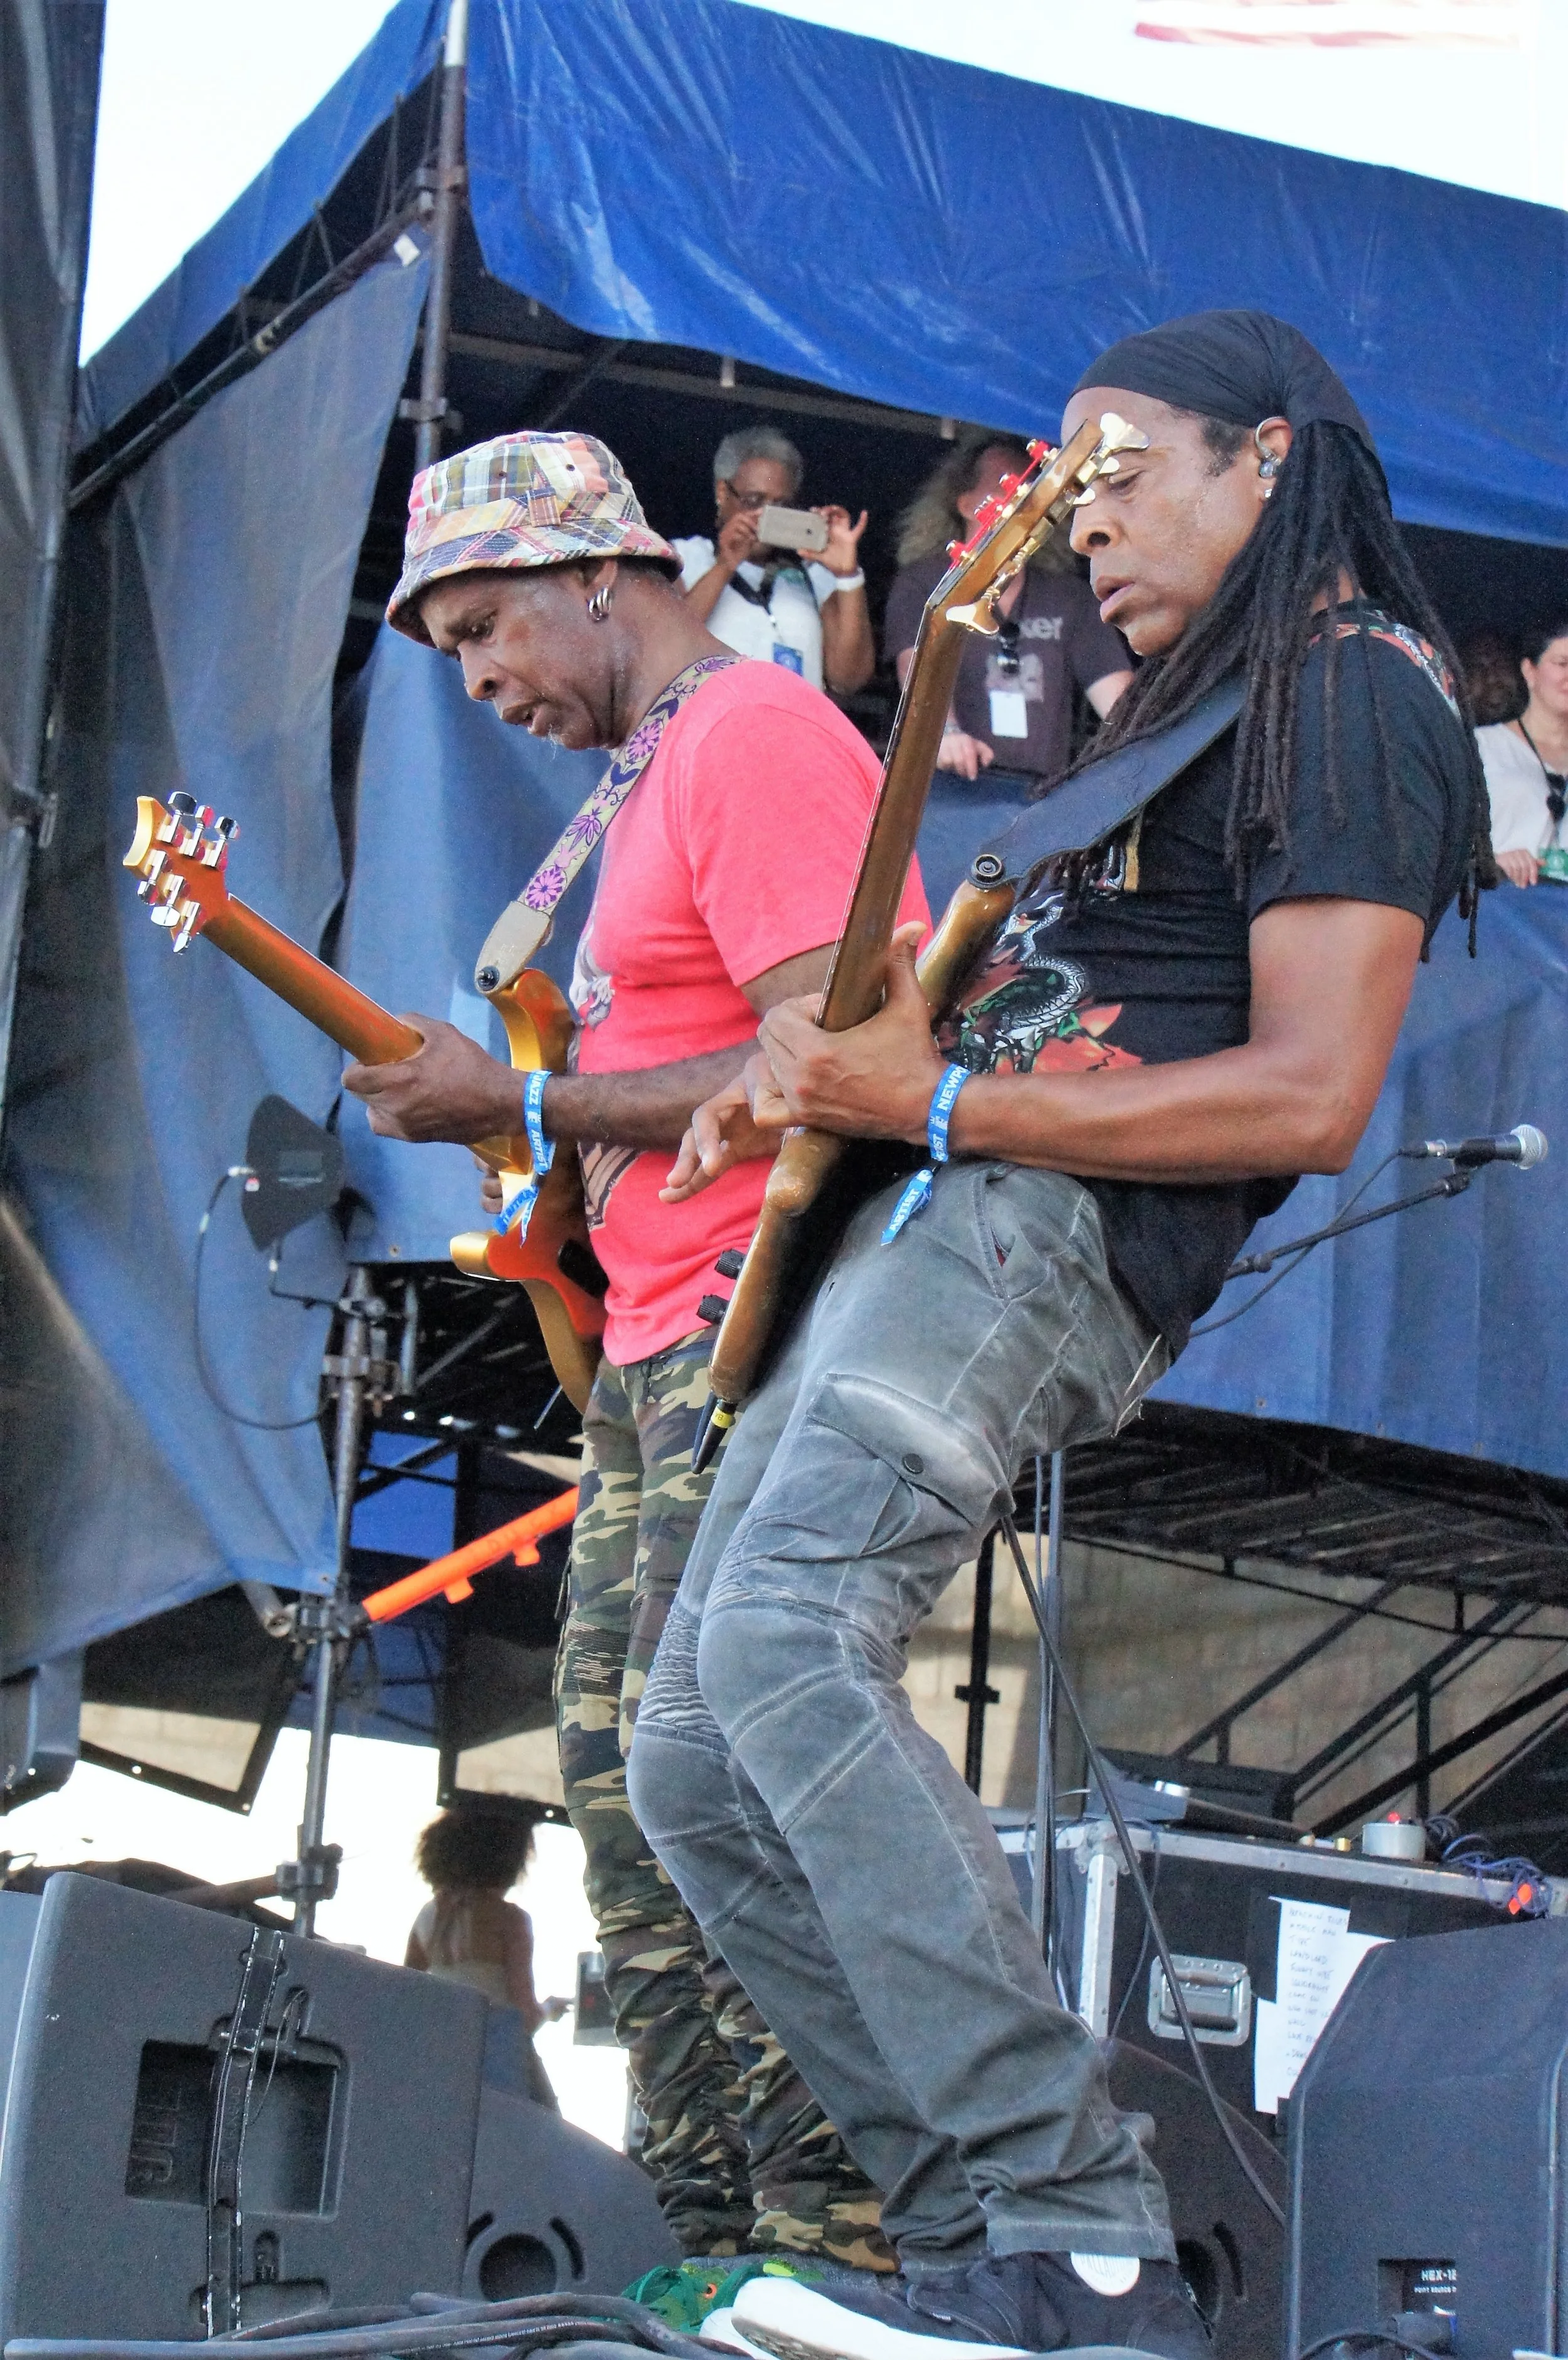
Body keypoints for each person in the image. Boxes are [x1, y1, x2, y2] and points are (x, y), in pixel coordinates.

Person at [623, 311, 1491, 2360]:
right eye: (1059, 481)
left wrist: (928, 1105)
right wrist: (821, 1059)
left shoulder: (1355, 696)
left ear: (1262, 456)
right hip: (923, 1217)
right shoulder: (1168, 732)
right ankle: (981, 2252)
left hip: (1038, 1239)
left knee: (774, 1644)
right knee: (685, 1754)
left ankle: (1079, 2229)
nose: (1077, 520)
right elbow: (976, 1016)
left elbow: (1305, 1095)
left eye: (1118, 467)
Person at [344, 428, 926, 2267]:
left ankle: (831, 2242)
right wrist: (559, 1158)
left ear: (601, 573)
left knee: (715, 1792)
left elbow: (854, 1055)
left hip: (764, 1347)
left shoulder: (749, 737)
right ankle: (703, 2244)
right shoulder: (646, 782)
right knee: (619, 1793)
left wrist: (528, 1089)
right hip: (659, 1352)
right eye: (448, 652)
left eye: (487, 627)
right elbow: (673, 1079)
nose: (481, 679)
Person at [884, 433, 1134, 787]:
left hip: (1037, 795)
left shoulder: (1069, 598)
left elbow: (1120, 704)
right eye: (1004, 486)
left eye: (1030, 490)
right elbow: (915, 670)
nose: (1018, 498)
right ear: (966, 503)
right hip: (948, 790)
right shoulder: (923, 584)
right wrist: (947, 733)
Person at [674, 426, 875, 698]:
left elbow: (849, 679)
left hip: (794, 735)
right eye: (754, 501)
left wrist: (848, 576)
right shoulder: (689, 557)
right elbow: (668, 646)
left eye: (780, 506)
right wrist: (725, 566)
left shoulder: (811, 575)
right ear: (722, 493)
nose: (764, 515)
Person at [405, 1801, 568, 2110]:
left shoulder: (426, 1917)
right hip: (496, 2067)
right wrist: (550, 2008)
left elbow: (407, 1992)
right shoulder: (510, 1920)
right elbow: (525, 2018)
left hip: (439, 2063)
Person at [1478, 618, 1568, 886]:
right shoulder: (1482, 746)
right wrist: (1489, 861)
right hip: (1505, 913)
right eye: (1562, 664)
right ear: (1530, 671)